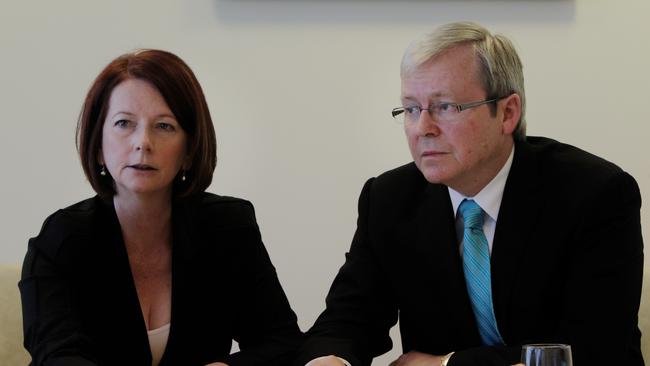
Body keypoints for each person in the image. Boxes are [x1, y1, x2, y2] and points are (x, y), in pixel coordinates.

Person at [296, 22, 644, 366]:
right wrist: (331, 359)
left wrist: (446, 364)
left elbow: (587, 350)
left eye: (445, 107)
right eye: (411, 109)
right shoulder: (389, 199)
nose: (423, 129)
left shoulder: (595, 194)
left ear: (507, 113)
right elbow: (348, 319)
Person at [20, 49, 302, 366]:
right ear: (98, 146)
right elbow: (58, 356)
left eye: (164, 126)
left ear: (189, 151)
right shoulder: (62, 238)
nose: (143, 142)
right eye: (124, 123)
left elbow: (283, 342)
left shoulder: (227, 228)